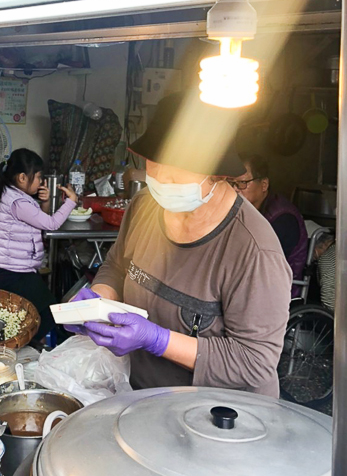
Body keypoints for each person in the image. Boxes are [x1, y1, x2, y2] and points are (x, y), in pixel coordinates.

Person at [69, 91, 292, 397]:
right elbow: (118, 266)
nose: (160, 178)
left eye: (175, 171)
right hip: (142, 399)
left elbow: (255, 362)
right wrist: (98, 302)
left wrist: (158, 340)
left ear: (216, 174)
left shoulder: (254, 251)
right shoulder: (145, 205)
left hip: (217, 417)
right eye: (154, 164)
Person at [0, 148, 77, 340]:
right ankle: (26, 345)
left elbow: (39, 220)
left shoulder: (11, 193)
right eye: (37, 177)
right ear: (22, 178)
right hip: (14, 273)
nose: (40, 182)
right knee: (48, 312)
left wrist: (43, 202)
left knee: (25, 313)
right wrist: (71, 202)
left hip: (12, 269)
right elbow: (51, 224)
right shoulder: (19, 203)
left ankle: (24, 343)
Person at [231, 154, 308, 297]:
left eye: (242, 183)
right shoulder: (246, 211)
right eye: (233, 184)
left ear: (264, 185)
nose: (236, 189)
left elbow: (264, 267)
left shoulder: (282, 218)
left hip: (276, 291)